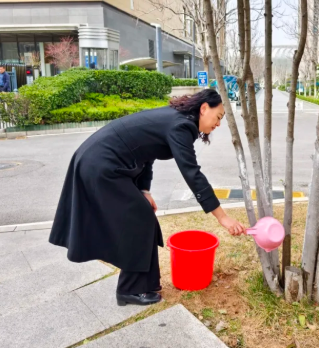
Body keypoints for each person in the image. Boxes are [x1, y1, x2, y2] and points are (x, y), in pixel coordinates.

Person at [49, 89, 246, 307]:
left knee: (143, 219)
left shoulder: (176, 119)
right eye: (218, 117)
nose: (218, 124)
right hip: (101, 164)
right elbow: (192, 173)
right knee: (140, 220)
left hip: (103, 161)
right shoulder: (182, 126)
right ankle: (129, 290)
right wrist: (222, 217)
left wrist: (144, 190)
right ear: (203, 108)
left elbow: (147, 151)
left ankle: (144, 284)